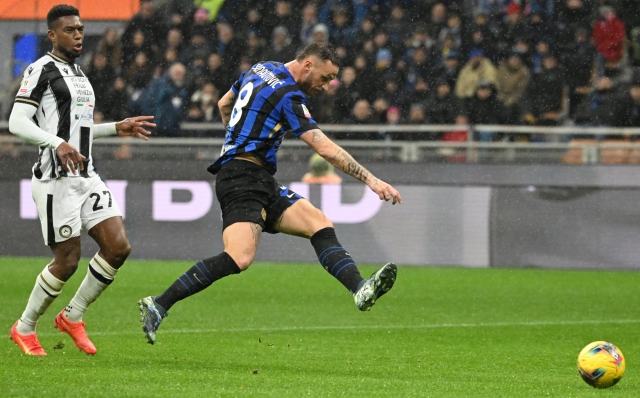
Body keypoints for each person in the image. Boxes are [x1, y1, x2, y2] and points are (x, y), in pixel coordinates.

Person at [138, 42, 401, 345]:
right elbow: (323, 146)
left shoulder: (262, 68)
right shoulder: (289, 95)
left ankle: (360, 289)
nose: (326, 87)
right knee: (239, 257)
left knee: (319, 223)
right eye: (325, 78)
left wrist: (237, 141)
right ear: (308, 65)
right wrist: (372, 181)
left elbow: (225, 103)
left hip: (257, 176)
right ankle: (159, 304)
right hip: (241, 179)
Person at [7, 5, 155, 356]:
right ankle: (25, 327)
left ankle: (73, 316)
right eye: (70, 29)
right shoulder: (40, 70)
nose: (78, 34)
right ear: (53, 35)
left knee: (118, 247)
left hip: (85, 174)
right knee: (68, 260)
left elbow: (79, 130)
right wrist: (55, 143)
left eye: (81, 28)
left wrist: (114, 128)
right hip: (55, 179)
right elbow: (17, 121)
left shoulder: (79, 74)